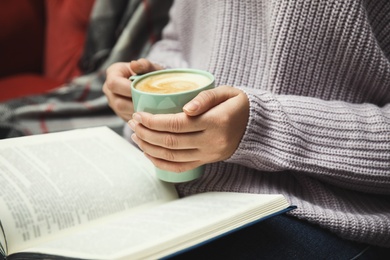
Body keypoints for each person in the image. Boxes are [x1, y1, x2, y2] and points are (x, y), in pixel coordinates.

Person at [103, 1, 390, 258]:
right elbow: (177, 42)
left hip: (312, 212)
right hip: (166, 189)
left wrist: (262, 128)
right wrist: (154, 86)